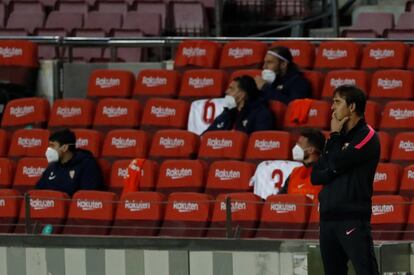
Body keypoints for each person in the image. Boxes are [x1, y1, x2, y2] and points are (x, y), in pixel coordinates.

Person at [311, 85, 380, 275]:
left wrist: (333, 139)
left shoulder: (368, 136)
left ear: (352, 107)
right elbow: (316, 176)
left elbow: (337, 162)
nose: (332, 108)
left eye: (337, 102)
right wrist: (335, 167)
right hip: (327, 220)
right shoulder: (336, 139)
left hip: (352, 219)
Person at [36, 128, 104, 196]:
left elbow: (87, 197)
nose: (49, 150)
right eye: (49, 146)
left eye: (52, 146)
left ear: (65, 147)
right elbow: (38, 191)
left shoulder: (87, 165)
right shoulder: (52, 167)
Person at [204, 75, 275, 134]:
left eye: (231, 89)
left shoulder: (261, 114)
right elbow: (205, 137)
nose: (226, 92)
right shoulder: (226, 114)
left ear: (242, 94)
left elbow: (259, 142)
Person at [279, 128, 325, 201]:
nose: (295, 147)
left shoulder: (326, 175)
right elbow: (280, 200)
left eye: (299, 144)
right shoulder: (294, 173)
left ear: (311, 150)